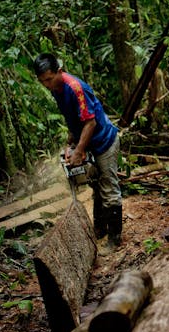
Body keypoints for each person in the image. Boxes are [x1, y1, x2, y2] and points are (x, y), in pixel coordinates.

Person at [33, 52, 122, 246]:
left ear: (59, 71)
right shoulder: (56, 89)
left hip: (104, 141)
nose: (47, 84)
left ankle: (115, 239)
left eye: (49, 79)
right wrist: (71, 144)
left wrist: (79, 151)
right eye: (43, 82)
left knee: (109, 188)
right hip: (88, 142)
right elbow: (74, 118)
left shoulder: (75, 88)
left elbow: (89, 123)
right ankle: (100, 230)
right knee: (97, 187)